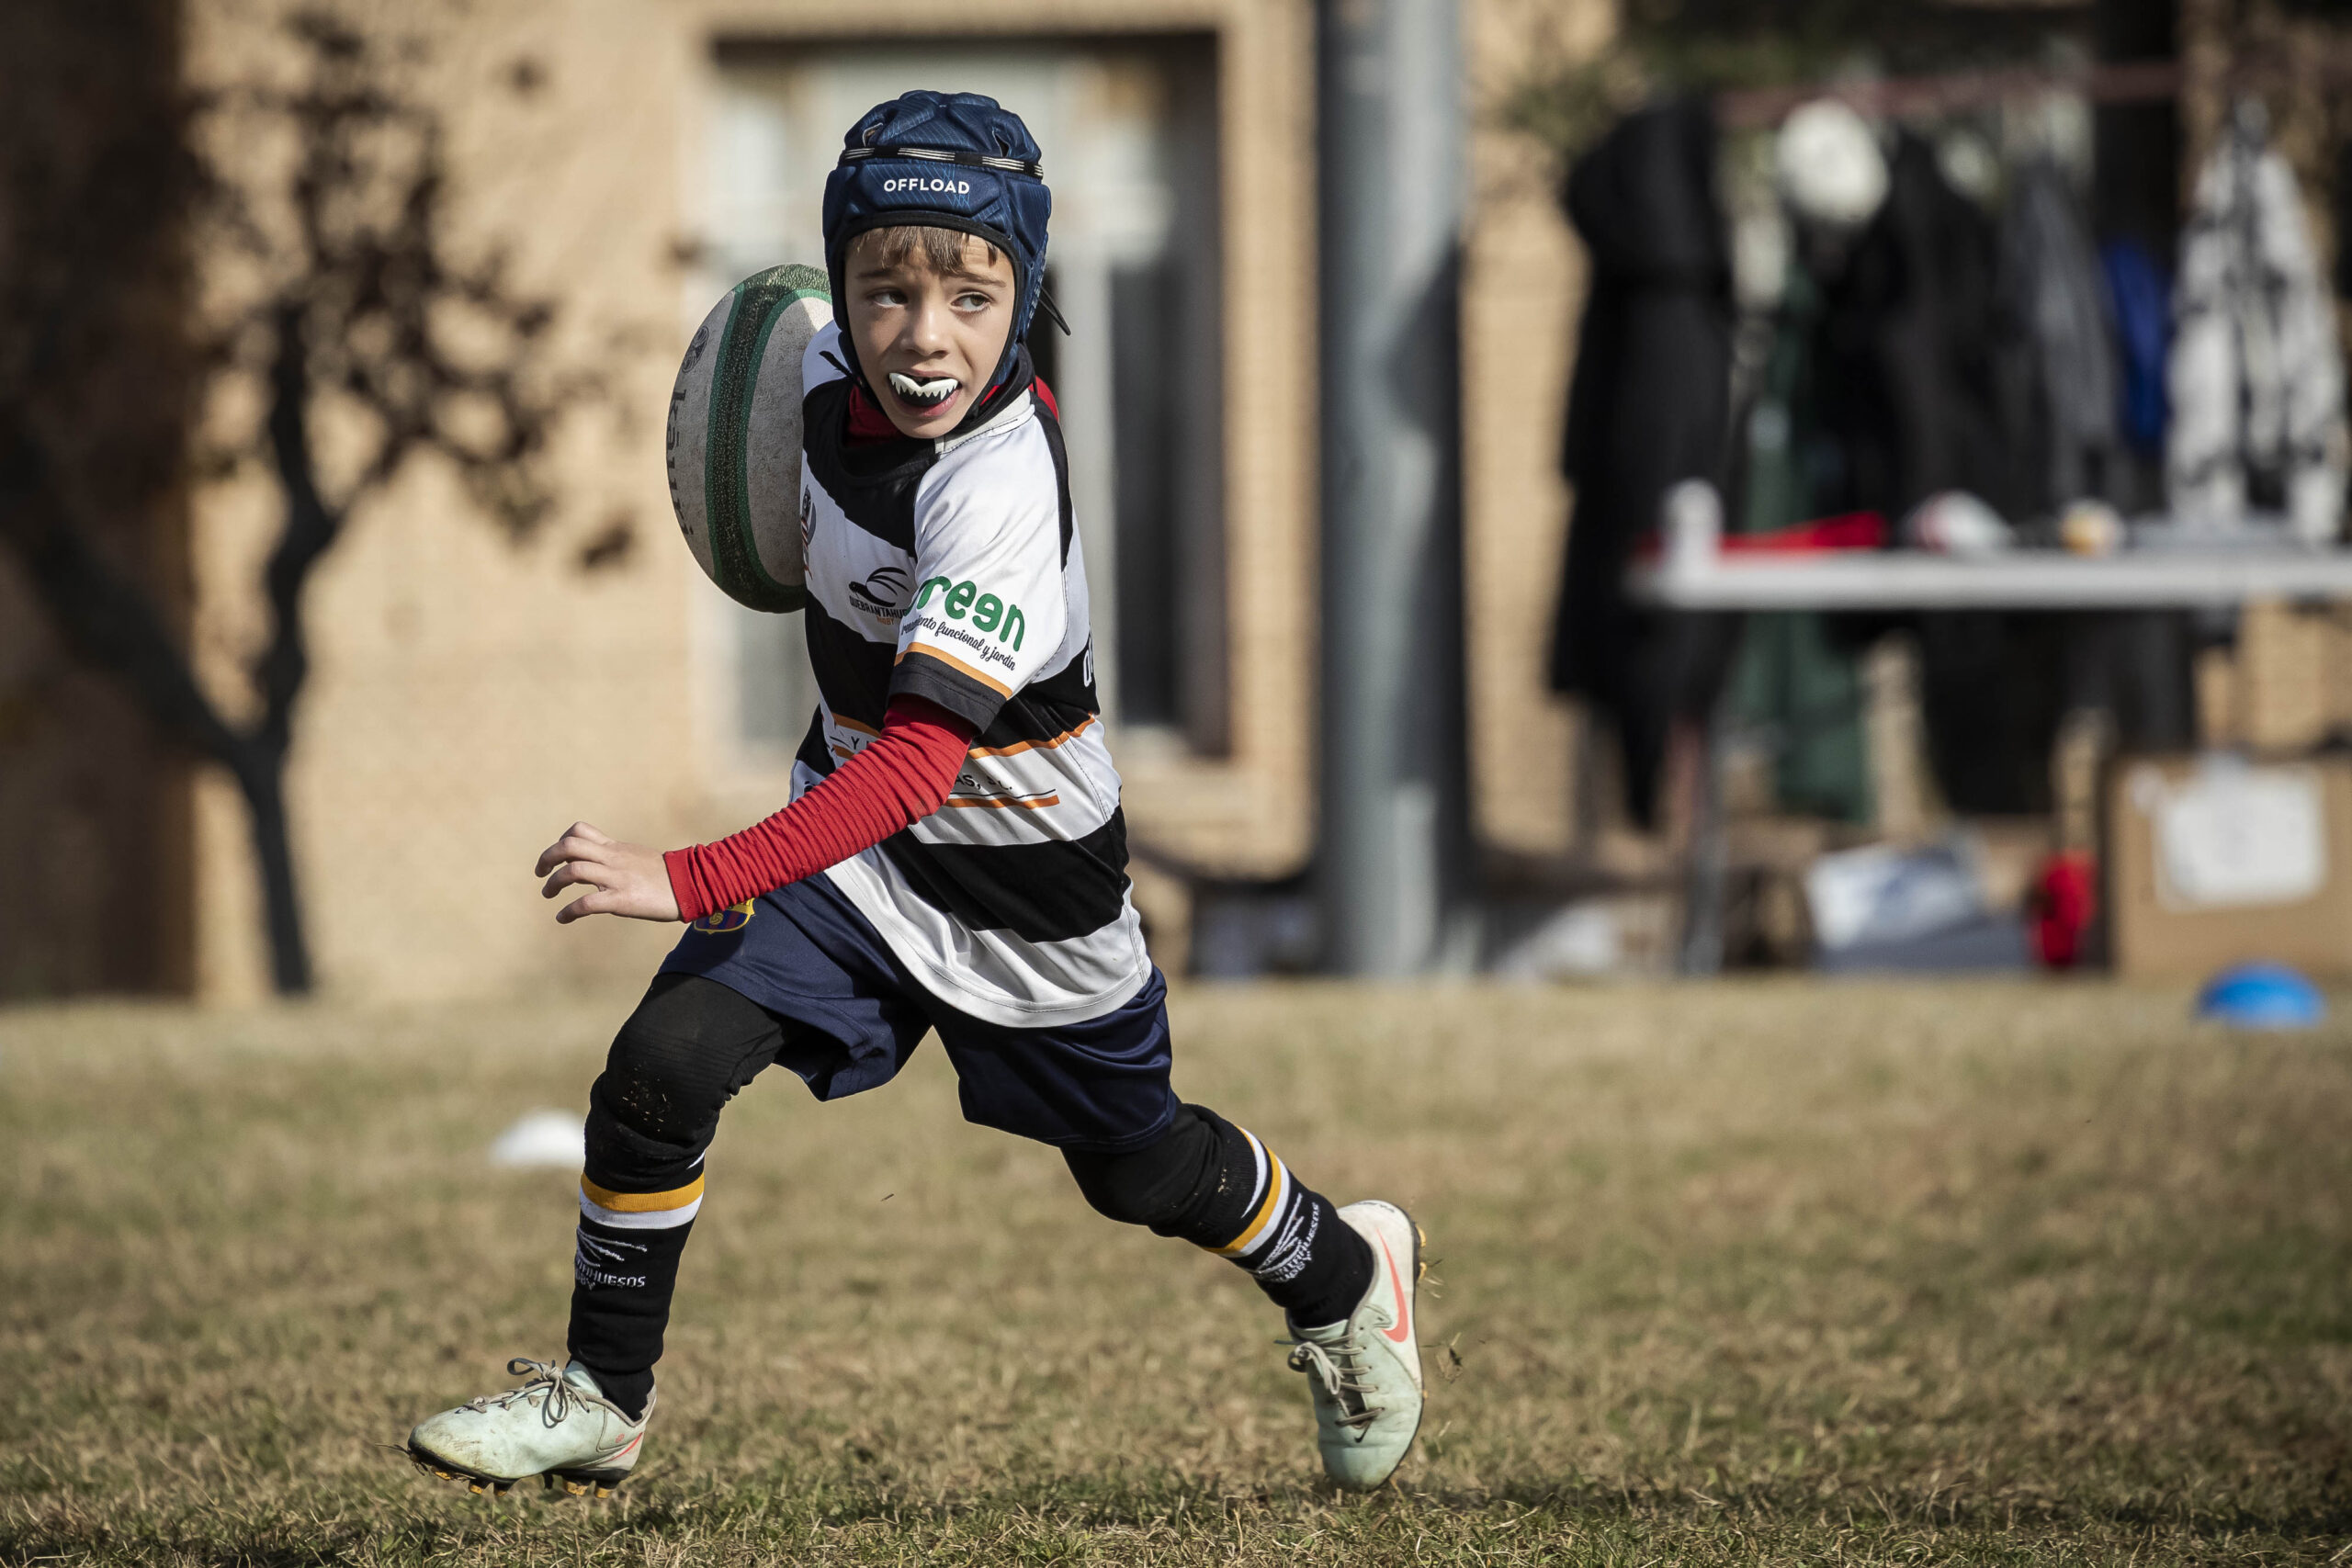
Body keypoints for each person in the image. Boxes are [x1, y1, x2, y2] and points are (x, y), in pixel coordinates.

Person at [403, 90, 1424, 1496]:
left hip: (1026, 881)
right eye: (886, 290)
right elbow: (786, 523)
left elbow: (922, 760)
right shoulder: (809, 374)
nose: (924, 335)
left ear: (1027, 292)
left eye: (970, 292)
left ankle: (1347, 1268)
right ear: (841, 289)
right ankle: (602, 1397)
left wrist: (693, 874)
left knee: (1134, 1171)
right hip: (857, 865)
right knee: (666, 1061)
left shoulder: (999, 484)